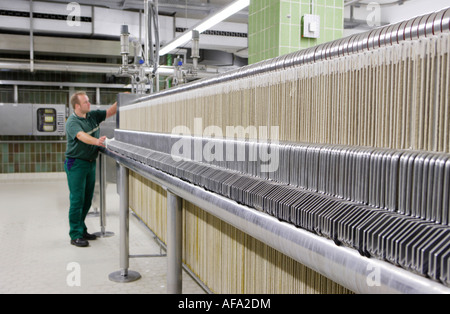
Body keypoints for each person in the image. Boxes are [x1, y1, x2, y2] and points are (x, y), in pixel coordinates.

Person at [64, 91, 117, 247]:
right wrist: (98, 142)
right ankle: (75, 235)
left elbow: (109, 112)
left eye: (88, 101)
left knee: (87, 199)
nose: (89, 104)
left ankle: (82, 229)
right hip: (76, 163)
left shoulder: (92, 116)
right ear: (77, 106)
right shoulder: (72, 122)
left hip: (90, 162)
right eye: (86, 102)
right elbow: (81, 137)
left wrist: (121, 98)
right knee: (77, 199)